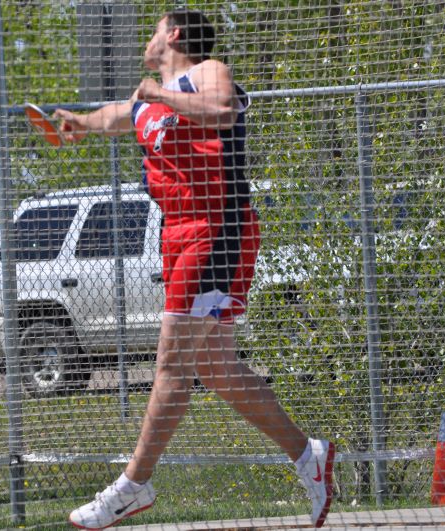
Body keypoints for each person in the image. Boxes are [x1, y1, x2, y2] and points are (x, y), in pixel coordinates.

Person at [54, 10, 335, 530]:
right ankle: (307, 454)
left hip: (217, 226)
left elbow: (223, 110)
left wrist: (159, 96)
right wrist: (79, 122)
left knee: (171, 369)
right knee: (217, 371)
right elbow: (114, 115)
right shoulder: (148, 99)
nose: (148, 37)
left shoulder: (206, 72)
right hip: (176, 232)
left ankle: (132, 487)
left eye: (155, 27)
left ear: (175, 34)